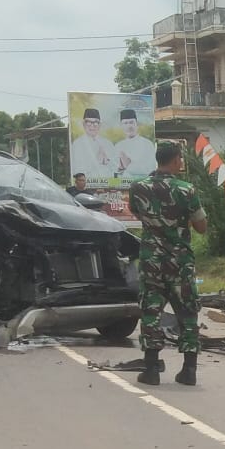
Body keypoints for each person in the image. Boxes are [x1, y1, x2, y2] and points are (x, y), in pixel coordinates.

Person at [128, 140, 206, 386]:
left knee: (151, 312)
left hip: (152, 260)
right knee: (188, 312)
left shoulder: (138, 188)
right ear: (174, 160)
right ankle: (189, 370)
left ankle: (151, 369)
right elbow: (202, 227)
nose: (181, 162)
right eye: (180, 159)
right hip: (180, 262)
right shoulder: (187, 190)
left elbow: (137, 213)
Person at [73, 107, 117, 182]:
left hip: (108, 186)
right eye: (89, 122)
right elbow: (77, 171)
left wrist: (108, 162)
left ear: (100, 125)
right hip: (87, 186)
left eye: (96, 122)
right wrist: (97, 161)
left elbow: (115, 168)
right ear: (83, 124)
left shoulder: (108, 143)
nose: (92, 126)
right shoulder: (77, 144)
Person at [114, 109, 156, 179]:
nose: (129, 126)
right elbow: (115, 171)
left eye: (131, 122)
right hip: (122, 186)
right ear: (121, 126)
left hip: (141, 186)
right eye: (125, 123)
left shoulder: (147, 144)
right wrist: (120, 168)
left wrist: (128, 165)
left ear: (137, 124)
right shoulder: (118, 145)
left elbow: (150, 169)